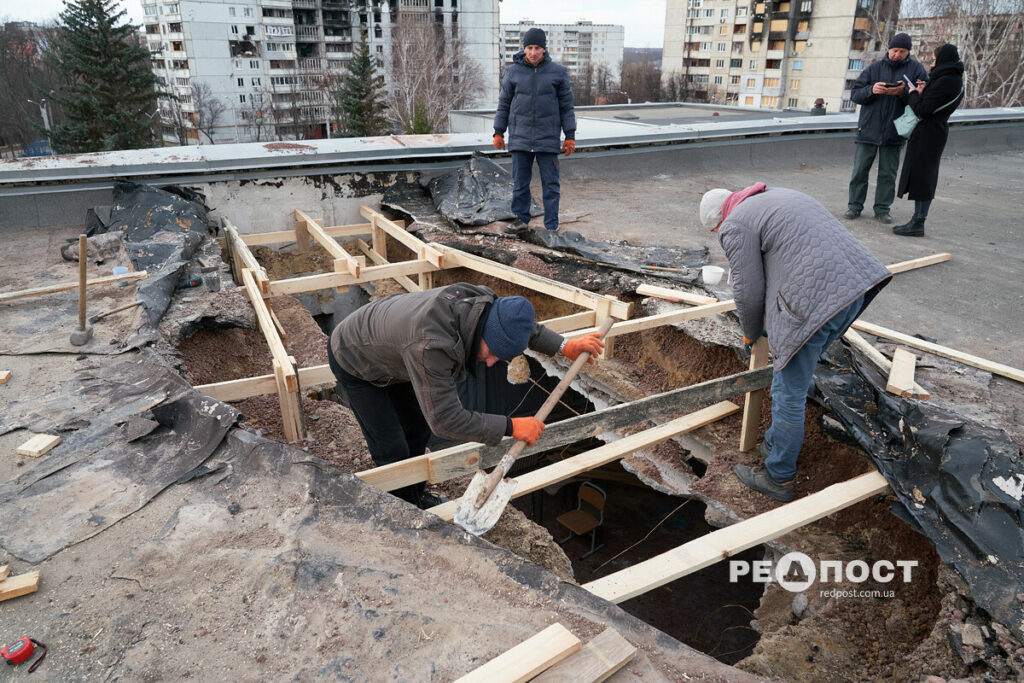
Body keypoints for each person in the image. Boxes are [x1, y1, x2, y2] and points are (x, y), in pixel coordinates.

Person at [327, 283, 605, 508]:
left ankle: (416, 496)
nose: (494, 362)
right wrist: (511, 426)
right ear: (486, 333)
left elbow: (519, 326)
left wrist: (565, 345)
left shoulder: (483, 305)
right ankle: (404, 512)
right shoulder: (432, 346)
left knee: (417, 428)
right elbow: (446, 420)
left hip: (393, 352)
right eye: (493, 353)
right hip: (355, 359)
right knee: (391, 447)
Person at [700, 184, 892, 501]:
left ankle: (779, 477)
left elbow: (748, 290)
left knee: (788, 391)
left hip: (817, 301)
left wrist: (750, 332)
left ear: (718, 222)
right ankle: (776, 441)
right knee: (794, 372)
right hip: (854, 290)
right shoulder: (774, 197)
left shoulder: (735, 224)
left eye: (717, 232)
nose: (720, 236)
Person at [493, 27, 576, 235]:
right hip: (520, 137)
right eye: (529, 47)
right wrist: (498, 131)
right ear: (524, 49)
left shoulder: (558, 73)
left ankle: (551, 225)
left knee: (551, 183)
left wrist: (570, 136)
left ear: (544, 49)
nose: (533, 52)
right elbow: (504, 103)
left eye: (537, 47)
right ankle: (521, 218)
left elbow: (567, 106)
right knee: (520, 183)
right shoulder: (513, 72)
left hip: (548, 137)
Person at [846, 33, 929, 224]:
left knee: (888, 174)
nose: (897, 54)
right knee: (859, 171)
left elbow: (923, 100)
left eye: (902, 51)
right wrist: (871, 90)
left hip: (895, 131)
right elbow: (855, 94)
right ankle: (854, 206)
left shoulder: (916, 70)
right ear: (889, 50)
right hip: (868, 129)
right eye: (894, 51)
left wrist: (904, 94)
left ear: (908, 52)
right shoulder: (874, 68)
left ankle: (882, 209)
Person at [892, 44, 965, 237]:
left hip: (929, 133)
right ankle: (918, 219)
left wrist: (913, 93)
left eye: (934, 60)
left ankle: (918, 222)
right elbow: (933, 104)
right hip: (934, 131)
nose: (932, 63)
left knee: (923, 177)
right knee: (925, 175)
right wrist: (924, 92)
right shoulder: (951, 79)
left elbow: (922, 110)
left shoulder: (946, 81)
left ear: (942, 60)